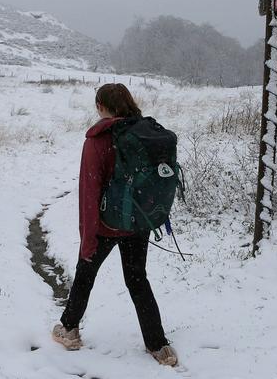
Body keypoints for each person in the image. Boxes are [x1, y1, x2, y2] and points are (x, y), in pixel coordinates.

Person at [51, 83, 178, 367]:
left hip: (107, 224)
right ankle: (160, 346)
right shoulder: (144, 134)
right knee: (137, 279)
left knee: (85, 273)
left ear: (101, 107)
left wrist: (88, 237)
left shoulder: (97, 141)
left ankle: (69, 330)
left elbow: (89, 193)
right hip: (137, 221)